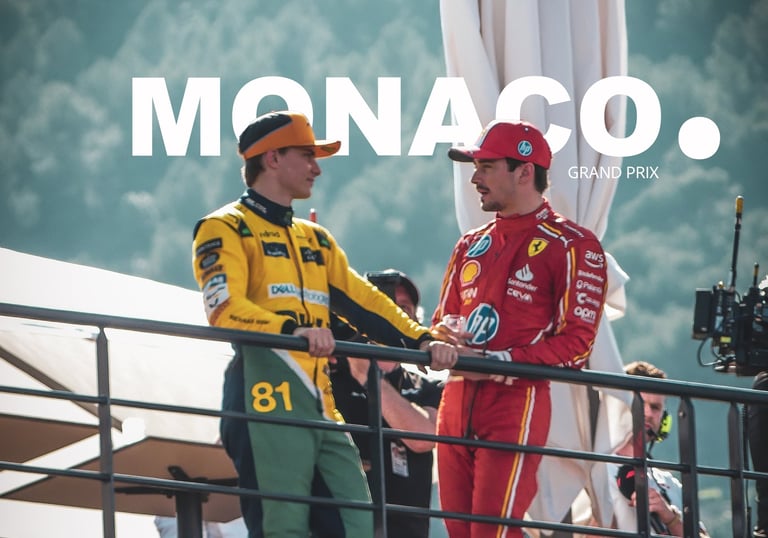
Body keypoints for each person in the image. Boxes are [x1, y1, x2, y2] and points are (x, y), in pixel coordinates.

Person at [191, 110, 458, 538]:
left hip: (322, 406)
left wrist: (424, 340)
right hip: (263, 397)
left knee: (357, 525)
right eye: (306, 155)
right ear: (272, 158)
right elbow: (224, 309)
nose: (316, 168)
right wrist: (290, 332)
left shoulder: (316, 239)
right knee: (283, 530)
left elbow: (366, 303)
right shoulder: (225, 227)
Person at [430, 119, 608, 538]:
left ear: (525, 171)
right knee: (459, 533)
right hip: (454, 402)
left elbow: (578, 345)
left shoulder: (574, 245)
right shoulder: (469, 243)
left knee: (490, 533)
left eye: (486, 167)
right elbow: (440, 322)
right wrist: (444, 339)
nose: (474, 178)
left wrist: (498, 360)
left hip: (516, 402)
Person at [330, 269, 444, 537]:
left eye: (404, 309)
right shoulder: (331, 376)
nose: (396, 315)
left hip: (406, 529)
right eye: (387, 306)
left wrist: (369, 378)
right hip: (342, 524)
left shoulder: (428, 387)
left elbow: (424, 438)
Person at [588, 360, 709, 537]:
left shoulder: (670, 484)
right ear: (618, 408)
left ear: (664, 419)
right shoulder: (591, 471)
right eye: (640, 404)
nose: (648, 413)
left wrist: (670, 517)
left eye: (655, 407)